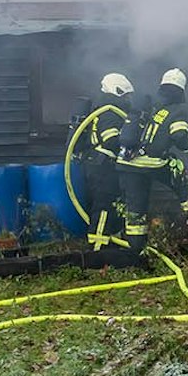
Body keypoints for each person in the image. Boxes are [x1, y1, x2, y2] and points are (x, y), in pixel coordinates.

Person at [115, 67, 188, 256]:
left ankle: (135, 252)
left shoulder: (150, 105)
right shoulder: (177, 110)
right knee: (179, 172)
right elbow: (180, 138)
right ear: (182, 90)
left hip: (127, 163)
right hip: (151, 163)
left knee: (135, 209)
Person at [71, 73, 134, 251]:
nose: (129, 99)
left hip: (100, 165)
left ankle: (112, 246)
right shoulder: (110, 112)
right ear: (118, 91)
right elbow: (111, 140)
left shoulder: (107, 109)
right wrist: (131, 144)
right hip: (102, 166)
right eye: (127, 96)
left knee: (112, 205)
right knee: (104, 205)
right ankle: (98, 248)